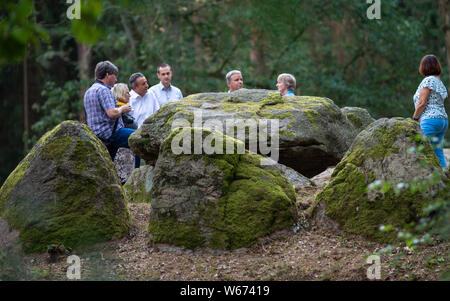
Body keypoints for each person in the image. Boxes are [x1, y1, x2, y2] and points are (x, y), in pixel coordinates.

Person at [84, 61, 137, 164]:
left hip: (97, 137)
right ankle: (138, 174)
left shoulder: (89, 91)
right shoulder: (104, 90)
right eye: (115, 76)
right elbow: (112, 113)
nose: (116, 79)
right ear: (108, 75)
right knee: (138, 139)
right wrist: (123, 109)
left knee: (107, 165)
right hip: (111, 134)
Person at [413, 54, 448, 168]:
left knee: (418, 150)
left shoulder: (428, 80)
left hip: (429, 120)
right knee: (438, 154)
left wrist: (414, 119)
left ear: (424, 67)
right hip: (442, 121)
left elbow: (422, 103)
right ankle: (444, 181)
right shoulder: (439, 82)